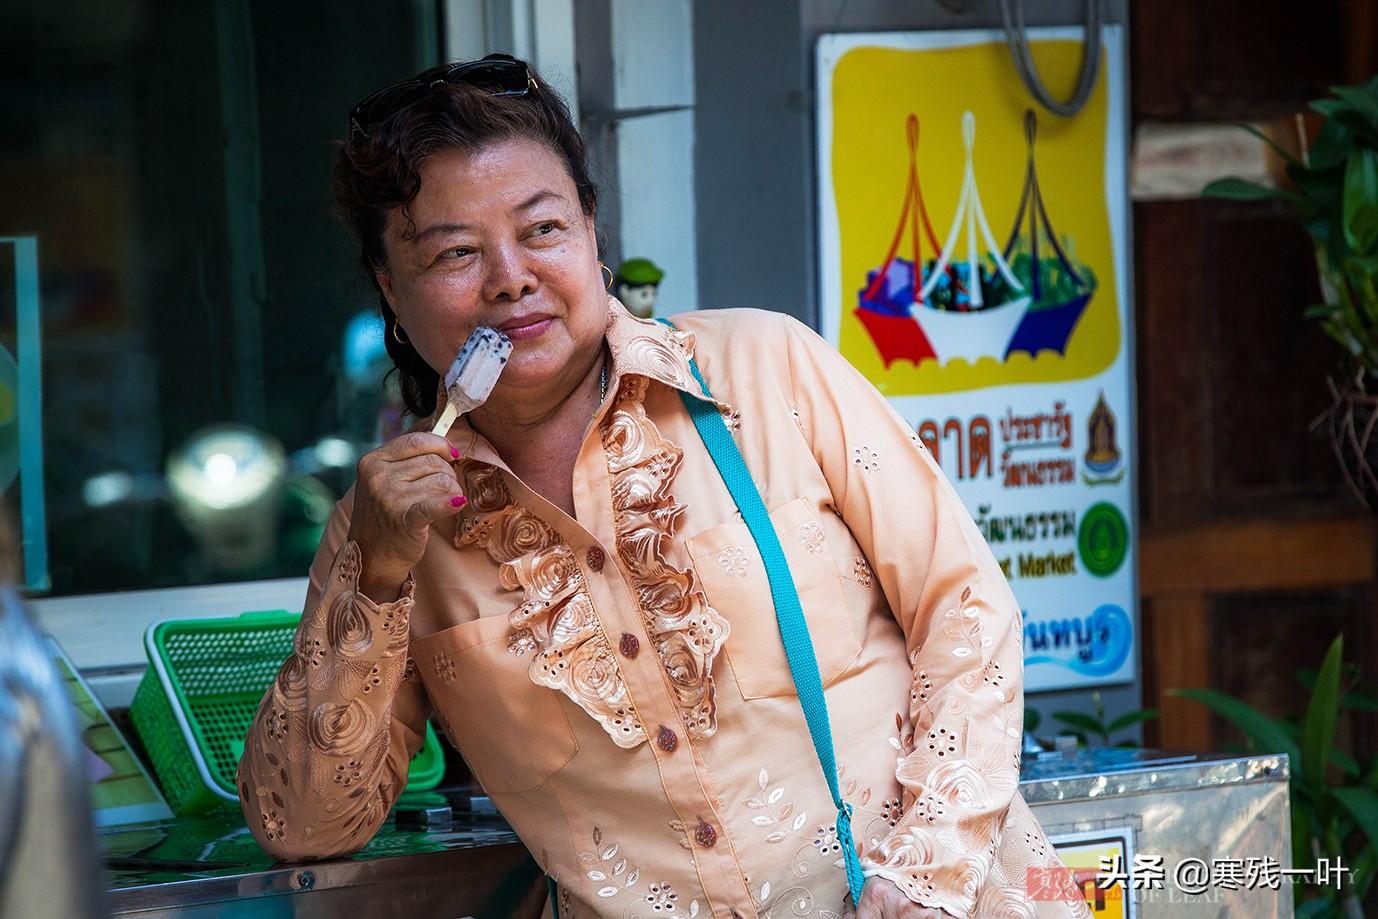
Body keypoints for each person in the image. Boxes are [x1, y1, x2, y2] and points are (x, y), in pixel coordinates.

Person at [238, 53, 1090, 919]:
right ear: (390, 284)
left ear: (591, 229)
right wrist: (373, 582)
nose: (510, 278)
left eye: (542, 230)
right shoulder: (385, 531)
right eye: (456, 252)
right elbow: (304, 827)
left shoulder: (766, 371)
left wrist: (924, 879)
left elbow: (967, 608)